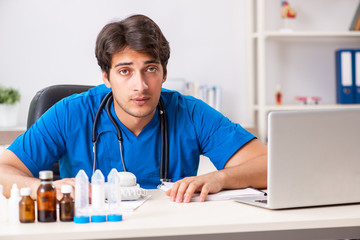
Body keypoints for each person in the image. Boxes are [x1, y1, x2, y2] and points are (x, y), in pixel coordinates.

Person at [0, 14, 267, 203]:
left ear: (163, 74)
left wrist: (220, 178)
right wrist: (42, 189)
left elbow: (269, 166)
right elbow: (4, 169)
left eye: (150, 69)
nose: (140, 85)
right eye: (125, 71)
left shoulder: (191, 113)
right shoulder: (69, 113)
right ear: (106, 77)